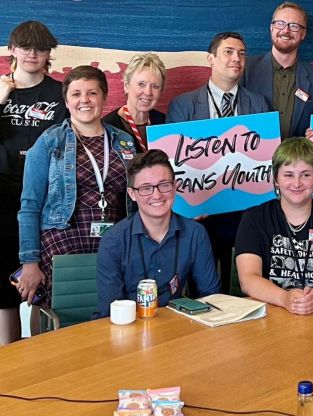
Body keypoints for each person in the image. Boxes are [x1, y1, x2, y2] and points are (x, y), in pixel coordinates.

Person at [17, 65, 136, 328]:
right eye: (76, 94)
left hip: (114, 246)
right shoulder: (49, 142)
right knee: (64, 326)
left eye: (92, 93)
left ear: (104, 98)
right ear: (67, 101)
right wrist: (29, 262)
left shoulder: (124, 142)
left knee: (114, 321)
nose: (85, 100)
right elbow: (29, 206)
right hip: (63, 248)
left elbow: (137, 198)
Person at [166, 32, 269, 295]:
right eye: (229, 52)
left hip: (246, 213)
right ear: (210, 58)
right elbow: (173, 162)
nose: (237, 58)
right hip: (200, 216)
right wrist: (186, 206)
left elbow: (265, 157)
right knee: (205, 290)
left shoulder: (258, 104)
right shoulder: (183, 105)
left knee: (243, 286)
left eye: (242, 54)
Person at [0, 21, 68, 345]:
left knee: (43, 288)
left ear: (48, 54)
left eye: (40, 48)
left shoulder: (59, 93)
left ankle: (42, 361)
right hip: (2, 199)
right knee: (4, 296)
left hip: (46, 199)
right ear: (12, 49)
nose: (32, 53)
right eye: (25, 46)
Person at [94, 150, 220, 318]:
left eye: (164, 185)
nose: (157, 194)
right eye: (146, 188)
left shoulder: (195, 233)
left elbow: (211, 296)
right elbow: (110, 311)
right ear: (132, 194)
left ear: (175, 187)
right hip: (126, 329)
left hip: (176, 329)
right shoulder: (113, 241)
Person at [235, 137, 313, 315]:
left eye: (306, 175)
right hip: (272, 316)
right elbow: (248, 279)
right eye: (288, 175)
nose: (297, 183)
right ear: (276, 178)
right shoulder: (254, 218)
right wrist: (284, 298)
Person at [242, 1, 313, 138]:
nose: (285, 31)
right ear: (271, 27)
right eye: (280, 23)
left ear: (303, 33)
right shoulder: (246, 69)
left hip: (296, 157)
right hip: (252, 156)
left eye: (294, 26)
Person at [102, 53, 167, 152]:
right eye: (141, 84)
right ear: (126, 86)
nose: (148, 92)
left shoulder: (164, 123)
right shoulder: (108, 127)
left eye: (155, 86)